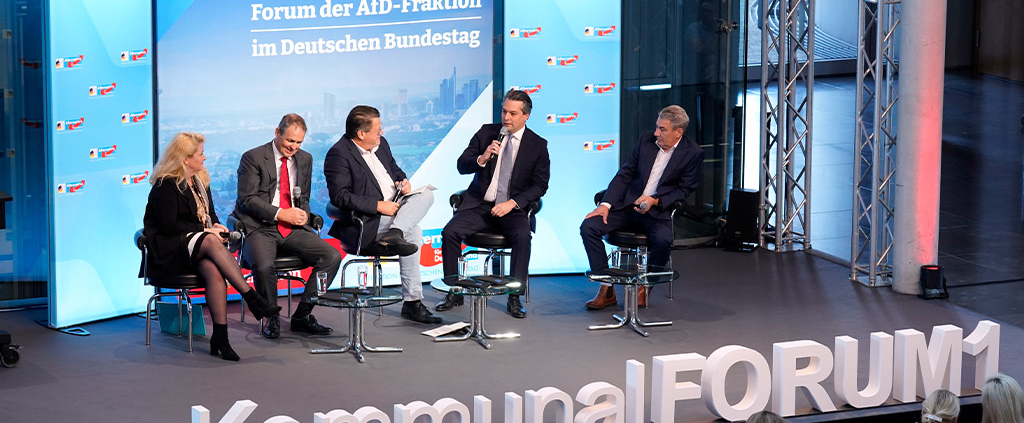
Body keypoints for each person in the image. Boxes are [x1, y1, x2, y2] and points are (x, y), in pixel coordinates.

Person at [142, 132, 281, 361]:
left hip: (195, 247)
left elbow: (210, 214)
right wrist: (206, 231)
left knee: (214, 270)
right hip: (169, 250)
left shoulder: (200, 180)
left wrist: (215, 226)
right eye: (200, 154)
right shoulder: (165, 184)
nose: (204, 158)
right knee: (209, 239)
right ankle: (252, 298)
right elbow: (169, 226)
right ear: (186, 159)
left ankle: (220, 337)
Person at [436, 89, 550, 318]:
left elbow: (540, 185)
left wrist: (513, 203)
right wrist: (482, 157)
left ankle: (514, 296)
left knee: (522, 236)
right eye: (504, 111)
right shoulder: (487, 133)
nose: (506, 117)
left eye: (513, 113)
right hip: (480, 204)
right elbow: (462, 165)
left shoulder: (537, 145)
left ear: (526, 116)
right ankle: (455, 291)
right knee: (450, 232)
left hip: (512, 208)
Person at [324, 105, 441, 324]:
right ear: (361, 133)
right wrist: (378, 206)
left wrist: (402, 181)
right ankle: (412, 302)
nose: (382, 133)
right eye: (378, 130)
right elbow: (340, 197)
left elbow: (394, 168)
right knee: (414, 232)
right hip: (367, 220)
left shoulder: (381, 144)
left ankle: (395, 232)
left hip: (395, 208)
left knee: (427, 195)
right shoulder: (338, 155)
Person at [580, 105, 704, 309]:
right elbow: (625, 173)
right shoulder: (646, 140)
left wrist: (656, 200)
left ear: (678, 132)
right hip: (629, 205)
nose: (656, 133)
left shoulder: (693, 153)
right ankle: (606, 288)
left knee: (663, 241)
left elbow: (684, 189)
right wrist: (605, 205)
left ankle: (645, 288)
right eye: (657, 127)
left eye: (662, 129)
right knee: (589, 227)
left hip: (657, 211)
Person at [231, 114, 342, 339]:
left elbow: (303, 197)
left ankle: (303, 316)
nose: (293, 147)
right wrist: (281, 213)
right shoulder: (253, 157)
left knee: (331, 256)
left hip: (292, 229)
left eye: (299, 142)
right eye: (290, 140)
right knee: (264, 266)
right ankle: (270, 317)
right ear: (277, 132)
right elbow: (247, 200)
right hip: (259, 226)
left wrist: (303, 214)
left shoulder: (305, 158)